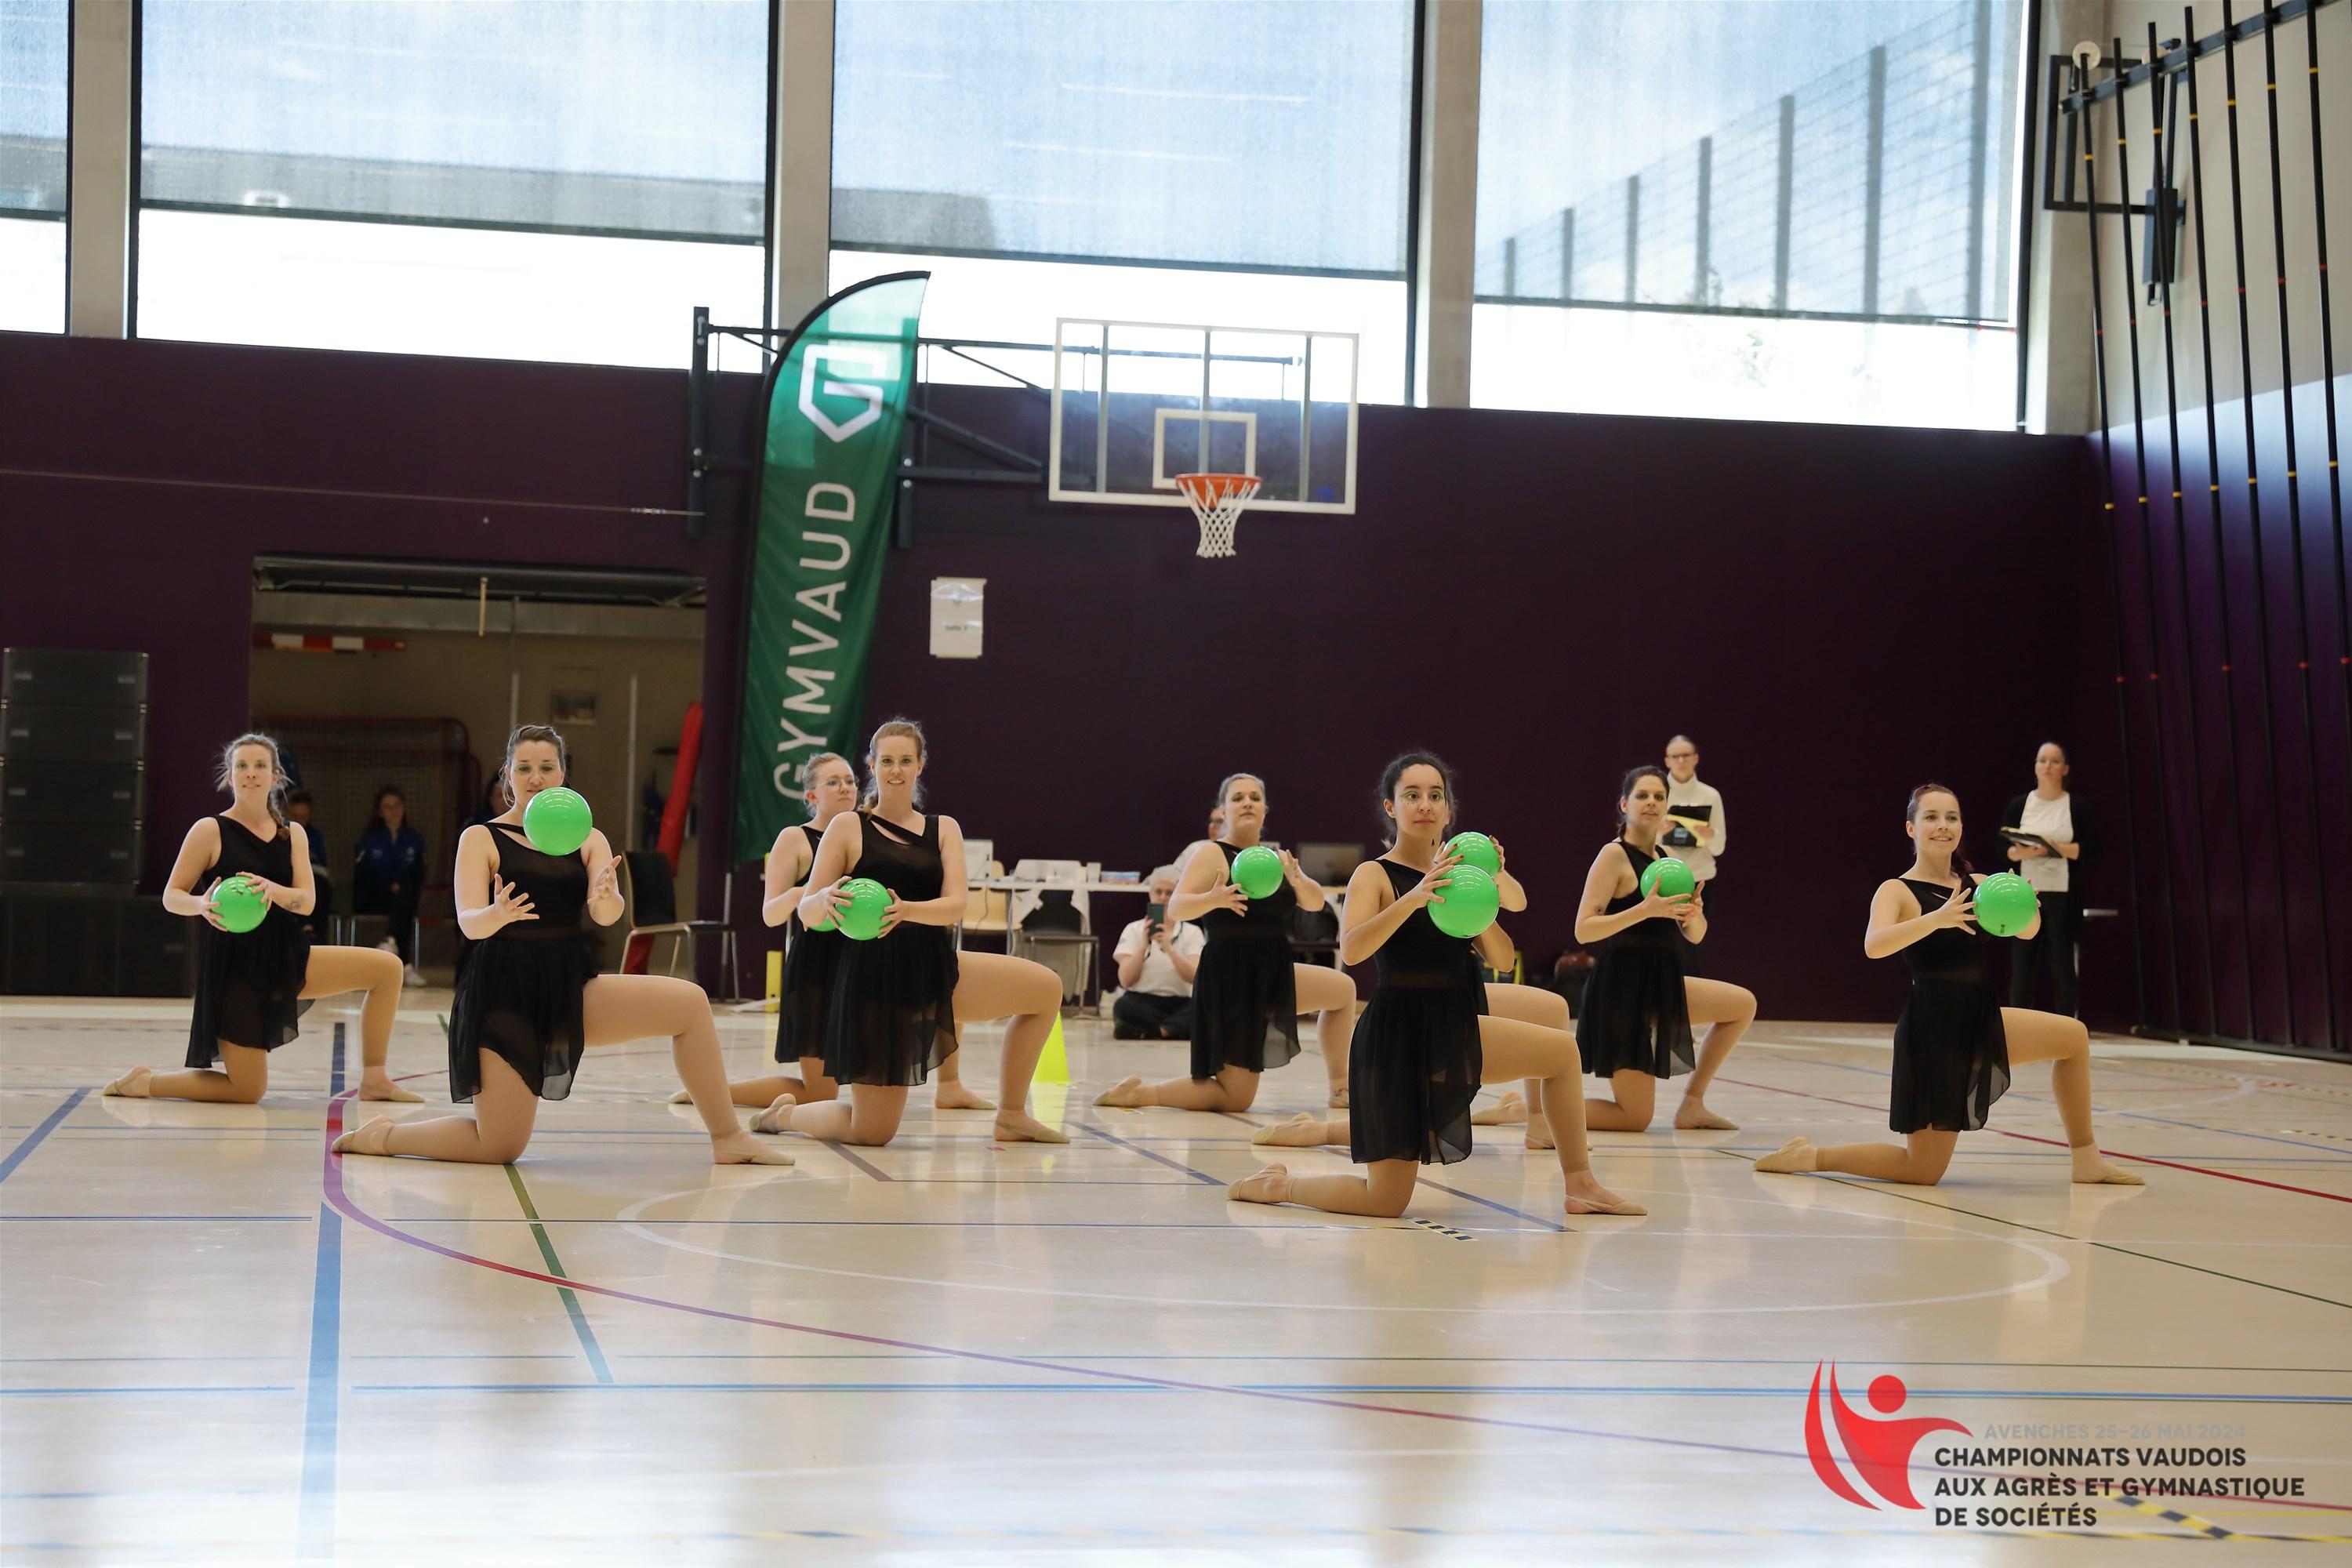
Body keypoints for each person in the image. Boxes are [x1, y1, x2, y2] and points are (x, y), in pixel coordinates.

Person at [332, 724, 787, 1167]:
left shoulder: (587, 837)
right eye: (524, 768)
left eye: (547, 767)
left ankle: (728, 1137)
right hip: (503, 996)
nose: (536, 777)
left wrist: (606, 895)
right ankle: (383, 1136)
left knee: (689, 1004)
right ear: (508, 775)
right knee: (499, 1147)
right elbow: (469, 923)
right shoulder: (481, 837)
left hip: (570, 986)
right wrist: (496, 914)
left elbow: (605, 915)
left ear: (562, 773)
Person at [1229, 754, 1641, 1219]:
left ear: (1448, 809)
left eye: (1435, 795)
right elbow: (1353, 950)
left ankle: (1581, 1184)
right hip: (1398, 1036)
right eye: (1412, 795)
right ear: (1391, 807)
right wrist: (1415, 897)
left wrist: (1487, 890)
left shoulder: (1461, 879)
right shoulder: (1374, 874)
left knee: (1561, 1054)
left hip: (1454, 1022)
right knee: (1385, 1201)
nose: (1425, 804)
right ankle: (1279, 1184)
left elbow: (1503, 960)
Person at [1755, 785, 2143, 1187]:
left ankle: (2087, 1159)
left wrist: (2026, 906)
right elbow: (1874, 946)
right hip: (1933, 1028)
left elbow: (2027, 932)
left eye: (1952, 817)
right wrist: (1935, 919)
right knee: (1921, 1170)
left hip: (1978, 1015)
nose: (1943, 825)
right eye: (1931, 817)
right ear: (1911, 828)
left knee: (2073, 1038)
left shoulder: (1981, 883)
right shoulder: (1897, 890)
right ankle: (1808, 1155)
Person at [749, 718, 1069, 1148]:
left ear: (920, 765)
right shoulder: (848, 827)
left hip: (934, 967)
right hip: (873, 983)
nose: (895, 770)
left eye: (905, 760)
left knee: (1045, 989)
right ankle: (785, 1116)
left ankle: (1012, 1115)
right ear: (872, 766)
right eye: (886, 761)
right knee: (871, 1132)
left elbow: (956, 905)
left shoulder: (944, 828)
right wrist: (822, 899)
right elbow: (806, 910)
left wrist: (907, 911)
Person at [100, 732, 420, 1105]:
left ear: (275, 776)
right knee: (247, 1090)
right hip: (235, 967)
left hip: (287, 955)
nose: (250, 773)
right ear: (230, 776)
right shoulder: (209, 830)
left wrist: (274, 890)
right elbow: (172, 896)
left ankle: (375, 1079)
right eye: (242, 766)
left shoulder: (294, 834)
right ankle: (145, 1082)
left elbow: (306, 901)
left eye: (259, 765)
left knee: (387, 969)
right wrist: (201, 904)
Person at [692, 751, 996, 1113]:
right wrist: (805, 895)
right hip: (818, 966)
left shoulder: (873, 830)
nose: (845, 788)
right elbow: (770, 914)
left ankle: (949, 1085)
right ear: (812, 796)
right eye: (833, 782)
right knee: (820, 1094)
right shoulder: (795, 838)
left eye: (850, 781)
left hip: (866, 959)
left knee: (939, 986)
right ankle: (713, 1093)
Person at [1092, 772, 1357, 1113]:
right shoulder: (1211, 854)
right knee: (1235, 1098)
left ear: (1265, 809)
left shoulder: (1274, 859)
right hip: (1231, 977)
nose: (1247, 803)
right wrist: (1213, 899)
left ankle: (1340, 1088)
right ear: (1222, 811)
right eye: (1237, 798)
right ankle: (1141, 1093)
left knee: (1342, 991)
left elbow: (1315, 903)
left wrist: (1297, 878)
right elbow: (1177, 907)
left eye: (1255, 798)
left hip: (1272, 970)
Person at [1575, 764, 1756, 1132]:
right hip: (1622, 990)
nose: (1651, 802)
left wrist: (1693, 913)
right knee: (1634, 1117)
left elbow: (1696, 936)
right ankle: (1531, 1111)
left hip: (1662, 982)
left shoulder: (1667, 858)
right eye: (1642, 795)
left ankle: (1692, 1104)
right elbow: (1584, 930)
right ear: (1624, 804)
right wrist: (1643, 910)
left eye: (1659, 796)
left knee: (1741, 1005)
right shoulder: (1613, 855)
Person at [2002, 742, 2100, 1018]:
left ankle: (2066, 1027)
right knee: (2022, 963)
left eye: (2054, 761)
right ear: (2035, 766)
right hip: (2025, 893)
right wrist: (2023, 852)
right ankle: (2020, 1025)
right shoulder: (2020, 805)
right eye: (2042, 760)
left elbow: (2093, 846)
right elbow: (2003, 847)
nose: (2047, 766)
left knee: (2062, 963)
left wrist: (2058, 848)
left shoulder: (2076, 806)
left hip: (2063, 895)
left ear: (2065, 769)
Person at [1109, 866, 1203, 1039]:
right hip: (1142, 1000)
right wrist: (1143, 946)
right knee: (1122, 1007)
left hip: (1181, 1002)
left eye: (1169, 893)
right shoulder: (1133, 929)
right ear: (1150, 894)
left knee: (1203, 1008)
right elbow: (1126, 980)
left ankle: (1152, 1032)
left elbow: (1194, 977)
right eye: (1158, 892)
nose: (1163, 898)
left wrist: (1169, 948)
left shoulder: (1192, 932)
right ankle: (1170, 1030)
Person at [1661, 734, 1726, 975]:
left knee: (1692, 947)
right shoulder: (1658, 793)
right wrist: (1659, 832)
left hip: (1699, 879)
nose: (1681, 761)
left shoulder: (1710, 795)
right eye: (1675, 756)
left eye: (1685, 755)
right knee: (1663, 943)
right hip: (1664, 878)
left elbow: (1719, 847)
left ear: (1695, 758)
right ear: (1667, 761)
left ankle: (1689, 995)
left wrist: (1709, 835)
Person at [353, 784, 427, 985]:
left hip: (404, 895)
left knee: (406, 897)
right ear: (379, 811)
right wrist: (389, 885)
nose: (393, 811)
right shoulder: (369, 839)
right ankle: (405, 965)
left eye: (397, 805)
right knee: (403, 902)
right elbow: (364, 874)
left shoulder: (415, 839)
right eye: (387, 806)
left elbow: (419, 873)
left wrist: (400, 886)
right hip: (375, 896)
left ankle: (390, 941)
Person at [283, 789, 334, 941]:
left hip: (313, 879)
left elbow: (324, 869)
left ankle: (313, 932)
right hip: (285, 879)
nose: (299, 821)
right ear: (285, 813)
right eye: (295, 817)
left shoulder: (316, 837)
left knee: (319, 887)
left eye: (303, 817)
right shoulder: (276, 834)